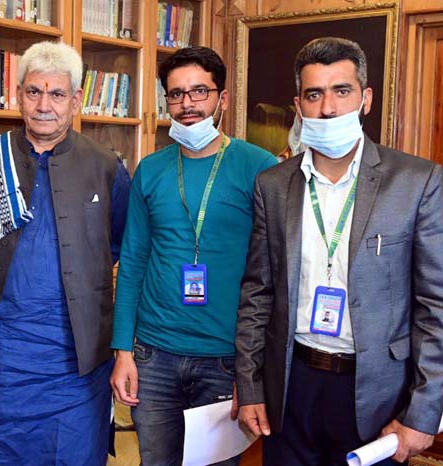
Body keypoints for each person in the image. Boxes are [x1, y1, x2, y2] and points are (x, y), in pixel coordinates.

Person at [234, 37, 443, 465]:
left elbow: (438, 306)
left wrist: (424, 410)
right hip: (291, 385)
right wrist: (250, 386)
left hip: (376, 390)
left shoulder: (415, 181)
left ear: (365, 98)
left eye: (342, 91)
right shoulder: (274, 185)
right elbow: (256, 294)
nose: (329, 108)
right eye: (314, 95)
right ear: (298, 105)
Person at [110, 46, 277, 466]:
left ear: (222, 99)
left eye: (199, 91)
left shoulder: (260, 167)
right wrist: (123, 351)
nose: (187, 104)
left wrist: (252, 372)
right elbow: (131, 261)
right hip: (153, 354)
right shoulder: (150, 168)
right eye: (176, 94)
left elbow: (274, 273)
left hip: (225, 358)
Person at [0, 41, 130, 466]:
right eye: (34, 92)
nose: (44, 105)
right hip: (1, 364)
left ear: (76, 100)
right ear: (18, 94)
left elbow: (119, 249)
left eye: (56, 94)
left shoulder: (107, 166)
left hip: (77, 369)